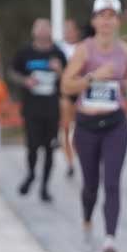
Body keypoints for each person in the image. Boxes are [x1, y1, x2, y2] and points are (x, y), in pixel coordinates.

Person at [61, 0, 127, 252]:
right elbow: (66, 85)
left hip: (115, 123)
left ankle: (110, 240)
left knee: (113, 182)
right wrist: (93, 76)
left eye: (112, 16)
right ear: (94, 20)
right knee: (91, 186)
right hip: (87, 126)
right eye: (102, 16)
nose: (106, 21)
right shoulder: (84, 50)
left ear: (117, 21)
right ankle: (86, 224)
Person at [9, 18, 67, 202]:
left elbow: (69, 78)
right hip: (31, 107)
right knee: (32, 146)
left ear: (50, 30)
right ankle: (31, 174)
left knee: (50, 148)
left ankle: (45, 187)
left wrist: (59, 71)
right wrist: (25, 81)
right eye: (38, 28)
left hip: (51, 107)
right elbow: (12, 72)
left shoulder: (58, 52)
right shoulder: (25, 52)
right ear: (34, 31)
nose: (42, 31)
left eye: (45, 27)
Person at [57, 18, 83, 177]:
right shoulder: (58, 49)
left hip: (81, 92)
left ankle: (78, 153)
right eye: (65, 29)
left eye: (70, 29)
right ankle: (69, 161)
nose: (68, 32)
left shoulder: (83, 48)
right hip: (65, 92)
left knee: (80, 127)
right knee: (65, 127)